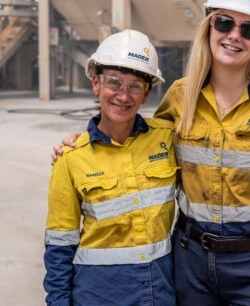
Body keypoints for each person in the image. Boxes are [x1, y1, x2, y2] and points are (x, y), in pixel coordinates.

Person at [52, 0, 250, 306]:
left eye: (249, 29)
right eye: (224, 23)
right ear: (209, 28)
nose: (234, 35)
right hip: (190, 263)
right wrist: (85, 142)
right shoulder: (182, 95)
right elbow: (141, 139)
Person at [43, 29, 179, 306]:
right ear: (96, 84)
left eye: (135, 86)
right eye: (114, 83)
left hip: (159, 291)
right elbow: (59, 244)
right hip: (98, 294)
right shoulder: (71, 158)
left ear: (147, 93)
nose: (123, 96)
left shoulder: (167, 138)